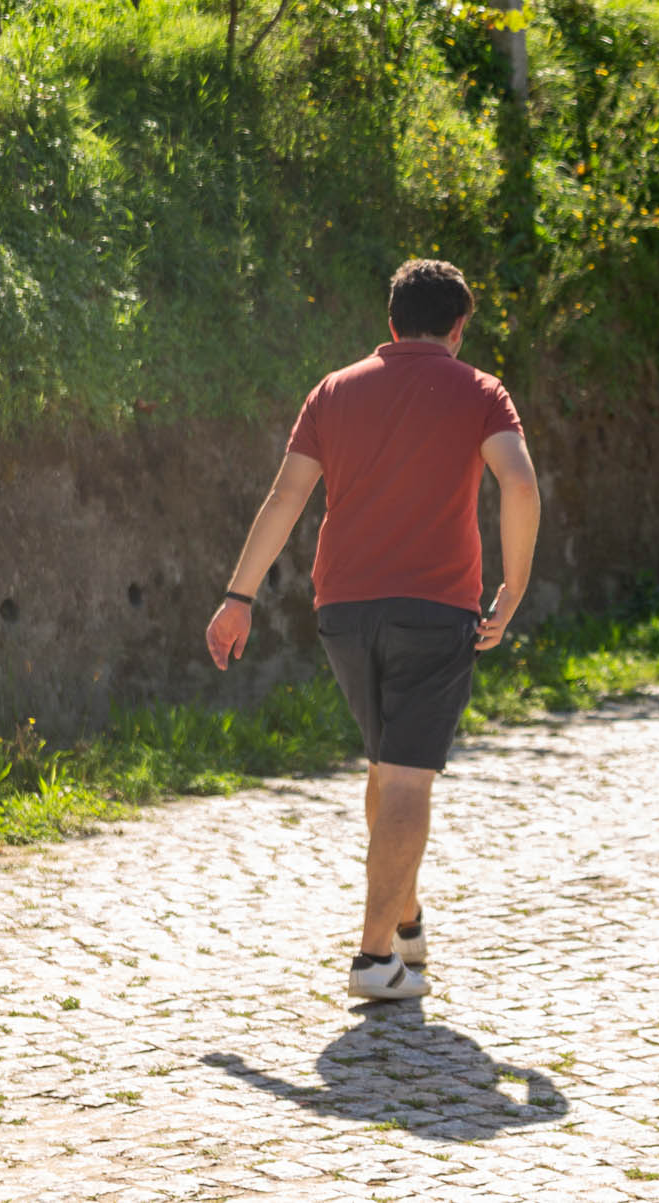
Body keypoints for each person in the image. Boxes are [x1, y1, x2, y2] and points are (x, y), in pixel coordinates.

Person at [206, 258, 540, 1004]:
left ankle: (407, 914)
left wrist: (239, 595)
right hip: (437, 608)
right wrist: (512, 588)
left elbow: (286, 494)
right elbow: (518, 480)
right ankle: (372, 957)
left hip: (344, 611)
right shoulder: (481, 391)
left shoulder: (333, 390)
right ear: (458, 327)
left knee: (387, 767)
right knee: (409, 775)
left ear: (390, 323)